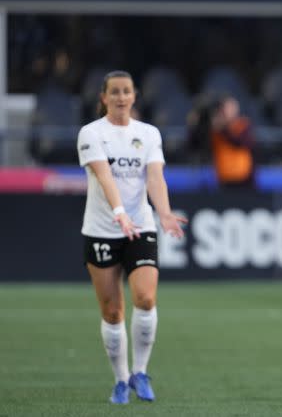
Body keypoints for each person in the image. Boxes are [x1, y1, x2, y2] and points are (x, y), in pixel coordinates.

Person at [77, 70, 187, 404]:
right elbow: (104, 175)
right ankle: (121, 379)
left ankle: (140, 372)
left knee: (146, 298)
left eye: (127, 91)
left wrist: (164, 212)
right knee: (112, 311)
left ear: (135, 96)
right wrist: (119, 213)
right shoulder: (91, 133)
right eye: (115, 92)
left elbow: (155, 178)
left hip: (140, 227)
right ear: (104, 97)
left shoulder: (148, 134)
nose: (121, 97)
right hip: (102, 229)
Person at [210, 94, 255, 189]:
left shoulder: (242, 125)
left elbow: (242, 143)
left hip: (243, 178)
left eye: (230, 108)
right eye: (225, 108)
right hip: (224, 179)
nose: (227, 112)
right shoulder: (215, 129)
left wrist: (224, 129)